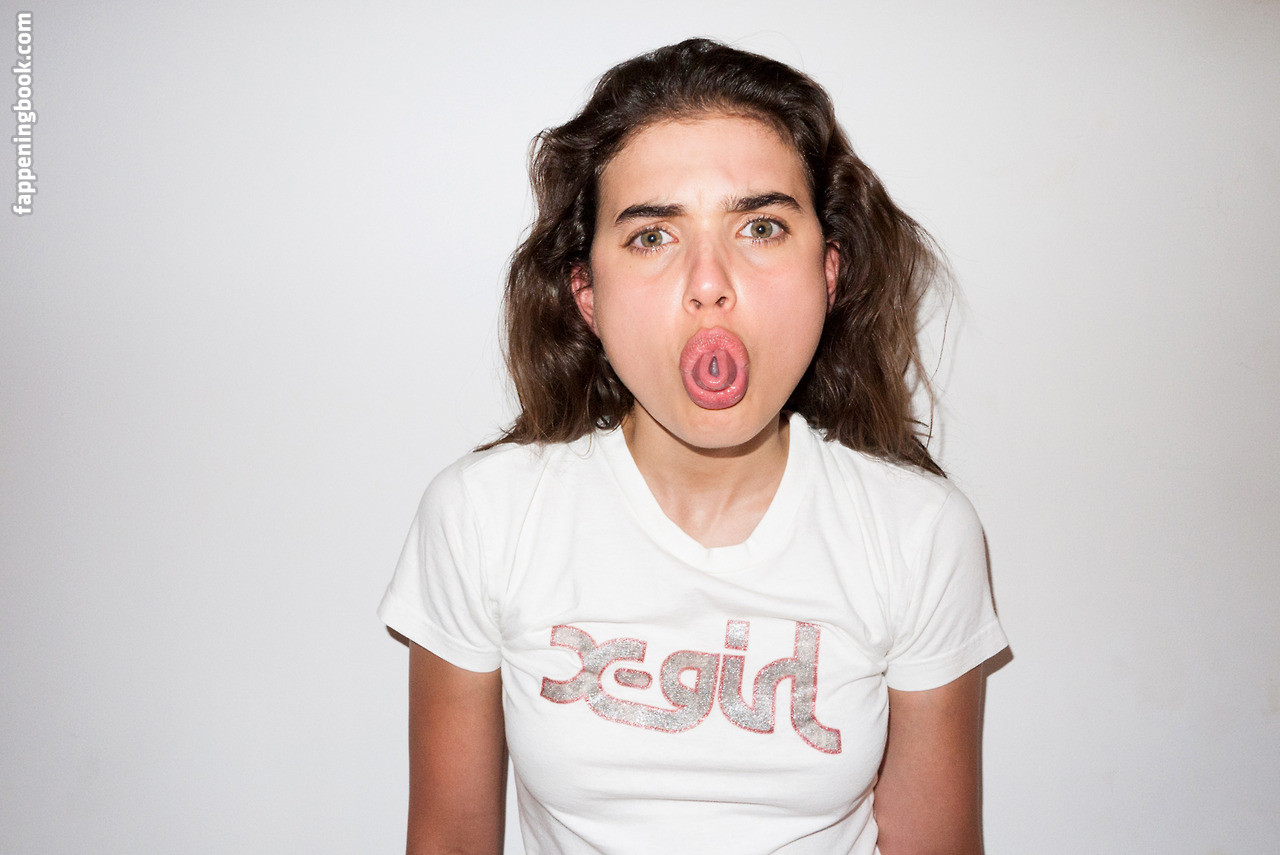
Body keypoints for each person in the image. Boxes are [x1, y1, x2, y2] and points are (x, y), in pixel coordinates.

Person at [379, 38, 1008, 855]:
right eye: (653, 236)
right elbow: (450, 841)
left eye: (761, 227)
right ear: (586, 294)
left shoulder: (920, 532)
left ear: (828, 272)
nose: (710, 282)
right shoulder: (483, 516)